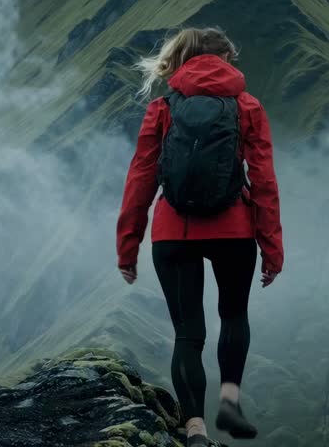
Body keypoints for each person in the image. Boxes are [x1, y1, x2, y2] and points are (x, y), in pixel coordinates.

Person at [116, 27, 284, 446]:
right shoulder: (247, 106)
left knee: (188, 334)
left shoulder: (162, 106)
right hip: (234, 231)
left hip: (174, 232)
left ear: (184, 60)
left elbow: (140, 178)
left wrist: (128, 245)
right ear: (226, 59)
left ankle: (194, 430)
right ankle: (229, 401)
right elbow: (263, 182)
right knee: (233, 315)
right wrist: (271, 247)